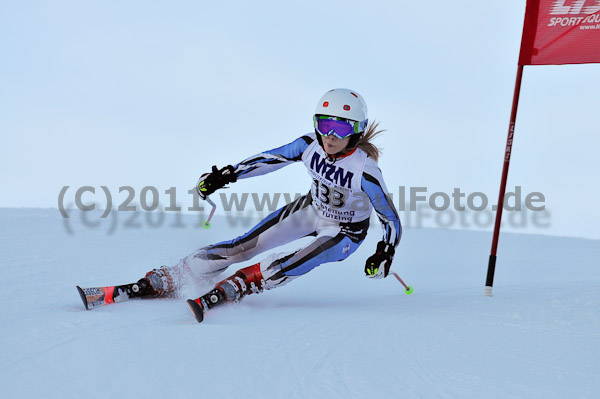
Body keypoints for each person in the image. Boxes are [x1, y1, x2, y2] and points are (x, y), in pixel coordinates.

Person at [136, 88, 402, 322]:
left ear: (356, 131)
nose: (329, 137)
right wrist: (229, 174)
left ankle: (245, 283)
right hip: (311, 210)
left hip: (345, 231)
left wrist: (385, 251)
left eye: (341, 129)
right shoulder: (310, 144)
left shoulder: (365, 170)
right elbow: (271, 159)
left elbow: (389, 217)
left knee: (300, 260)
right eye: (323, 125)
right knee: (242, 246)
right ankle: (178, 273)